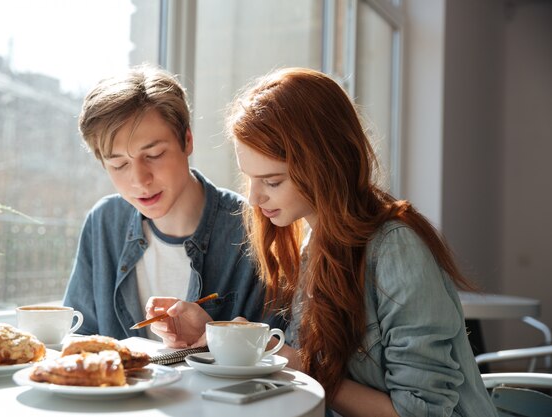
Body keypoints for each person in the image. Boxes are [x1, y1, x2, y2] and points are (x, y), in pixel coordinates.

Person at [158, 67, 498, 417]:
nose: (256, 199)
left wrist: (297, 365)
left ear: (324, 166)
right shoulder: (312, 242)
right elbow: (304, 361)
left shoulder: (397, 249)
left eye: (272, 181)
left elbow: (420, 412)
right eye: (251, 180)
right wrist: (217, 336)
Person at [62, 64, 280, 343]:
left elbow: (276, 359)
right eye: (118, 164)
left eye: (153, 155)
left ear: (187, 140)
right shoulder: (104, 221)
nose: (140, 180)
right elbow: (78, 336)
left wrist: (215, 339)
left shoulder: (251, 227)